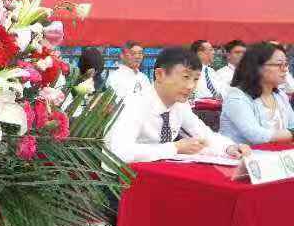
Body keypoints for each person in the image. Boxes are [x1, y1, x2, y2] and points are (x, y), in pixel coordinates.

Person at [106, 47, 250, 164]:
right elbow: (119, 152)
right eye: (185, 77)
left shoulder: (180, 105)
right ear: (160, 75)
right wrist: (174, 147)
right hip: (120, 181)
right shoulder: (134, 104)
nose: (191, 86)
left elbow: (203, 133)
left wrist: (229, 148)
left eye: (196, 79)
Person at [219, 42, 294, 145]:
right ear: (257, 67)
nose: (285, 69)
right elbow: (256, 135)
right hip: (245, 153)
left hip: (279, 153)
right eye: (279, 65)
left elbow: (292, 125)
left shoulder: (280, 95)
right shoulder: (237, 97)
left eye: (286, 64)